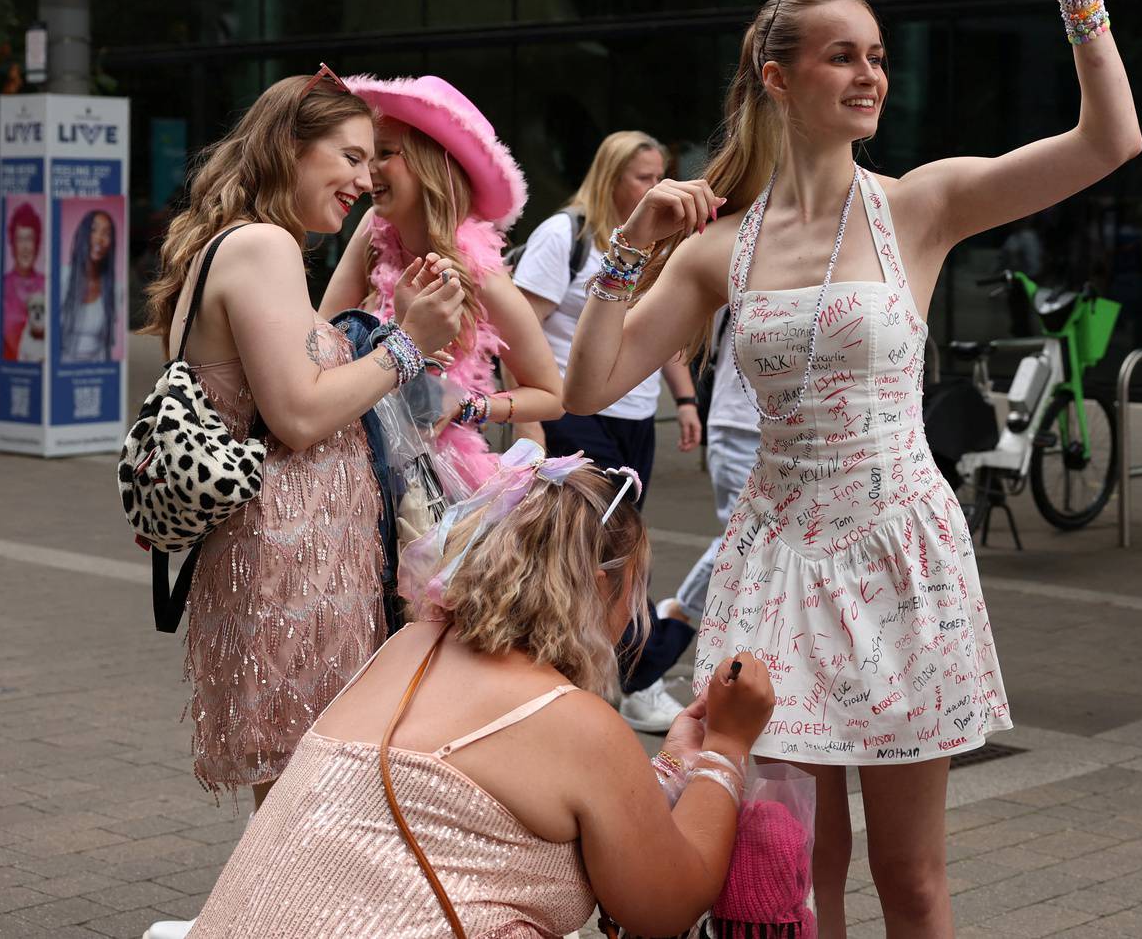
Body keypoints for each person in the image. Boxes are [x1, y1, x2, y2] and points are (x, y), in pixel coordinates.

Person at [562, 0, 1138, 934]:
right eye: (841, 58)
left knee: (912, 878)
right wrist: (630, 248)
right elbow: (588, 381)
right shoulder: (715, 248)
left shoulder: (919, 205)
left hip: (897, 552)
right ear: (779, 78)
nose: (870, 75)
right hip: (775, 561)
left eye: (876, 56)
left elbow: (1110, 139)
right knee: (787, 864)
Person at [185, 446, 776, 939]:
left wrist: (672, 765)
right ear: (598, 587)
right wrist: (725, 746)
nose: (634, 610)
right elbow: (665, 906)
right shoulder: (576, 723)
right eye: (635, 588)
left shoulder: (406, 649)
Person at [141, 64, 465, 805]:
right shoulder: (262, 247)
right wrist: (408, 343)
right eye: (350, 156)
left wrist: (396, 332)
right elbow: (300, 414)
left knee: (304, 798)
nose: (365, 179)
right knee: (306, 803)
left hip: (304, 557)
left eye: (373, 158)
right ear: (290, 146)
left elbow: (303, 380)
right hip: (286, 560)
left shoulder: (255, 245)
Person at [511, 130, 702, 733]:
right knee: (599, 547)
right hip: (576, 410)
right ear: (612, 176)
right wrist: (530, 420)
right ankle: (640, 676)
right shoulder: (564, 236)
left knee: (615, 550)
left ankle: (612, 667)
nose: (654, 188)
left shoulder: (656, 245)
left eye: (659, 175)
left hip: (636, 418)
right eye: (642, 177)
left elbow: (660, 331)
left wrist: (687, 398)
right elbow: (518, 332)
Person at [321, 74, 566, 491]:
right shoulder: (372, 231)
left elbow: (552, 395)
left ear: (431, 162)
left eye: (384, 153)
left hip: (433, 482)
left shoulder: (481, 276)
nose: (368, 172)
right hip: (351, 458)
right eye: (362, 156)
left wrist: (469, 406)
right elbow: (321, 332)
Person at [665, 307, 761, 631]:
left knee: (777, 544)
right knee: (745, 537)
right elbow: (674, 333)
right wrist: (685, 402)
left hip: (810, 434)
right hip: (740, 425)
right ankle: (675, 618)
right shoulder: (736, 257)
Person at [57, 208, 119, 361]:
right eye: (93, 230)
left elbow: (107, 347)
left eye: (106, 233)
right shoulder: (61, 277)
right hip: (61, 371)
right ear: (83, 234)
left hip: (95, 373)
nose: (99, 239)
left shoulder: (114, 290)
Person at [1, 201, 44, 360]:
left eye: (30, 239)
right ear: (12, 243)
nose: (25, 246)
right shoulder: (3, 285)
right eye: (20, 239)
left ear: (37, 243)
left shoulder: (47, 284)